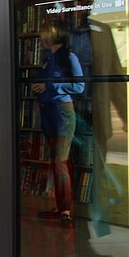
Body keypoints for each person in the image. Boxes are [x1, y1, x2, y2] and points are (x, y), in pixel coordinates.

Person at [33, 19, 85, 228]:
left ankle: (65, 209)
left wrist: (50, 86)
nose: (40, 38)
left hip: (62, 113)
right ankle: (59, 206)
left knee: (60, 161)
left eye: (43, 34)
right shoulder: (49, 59)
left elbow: (80, 87)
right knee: (57, 160)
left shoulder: (69, 58)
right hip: (48, 114)